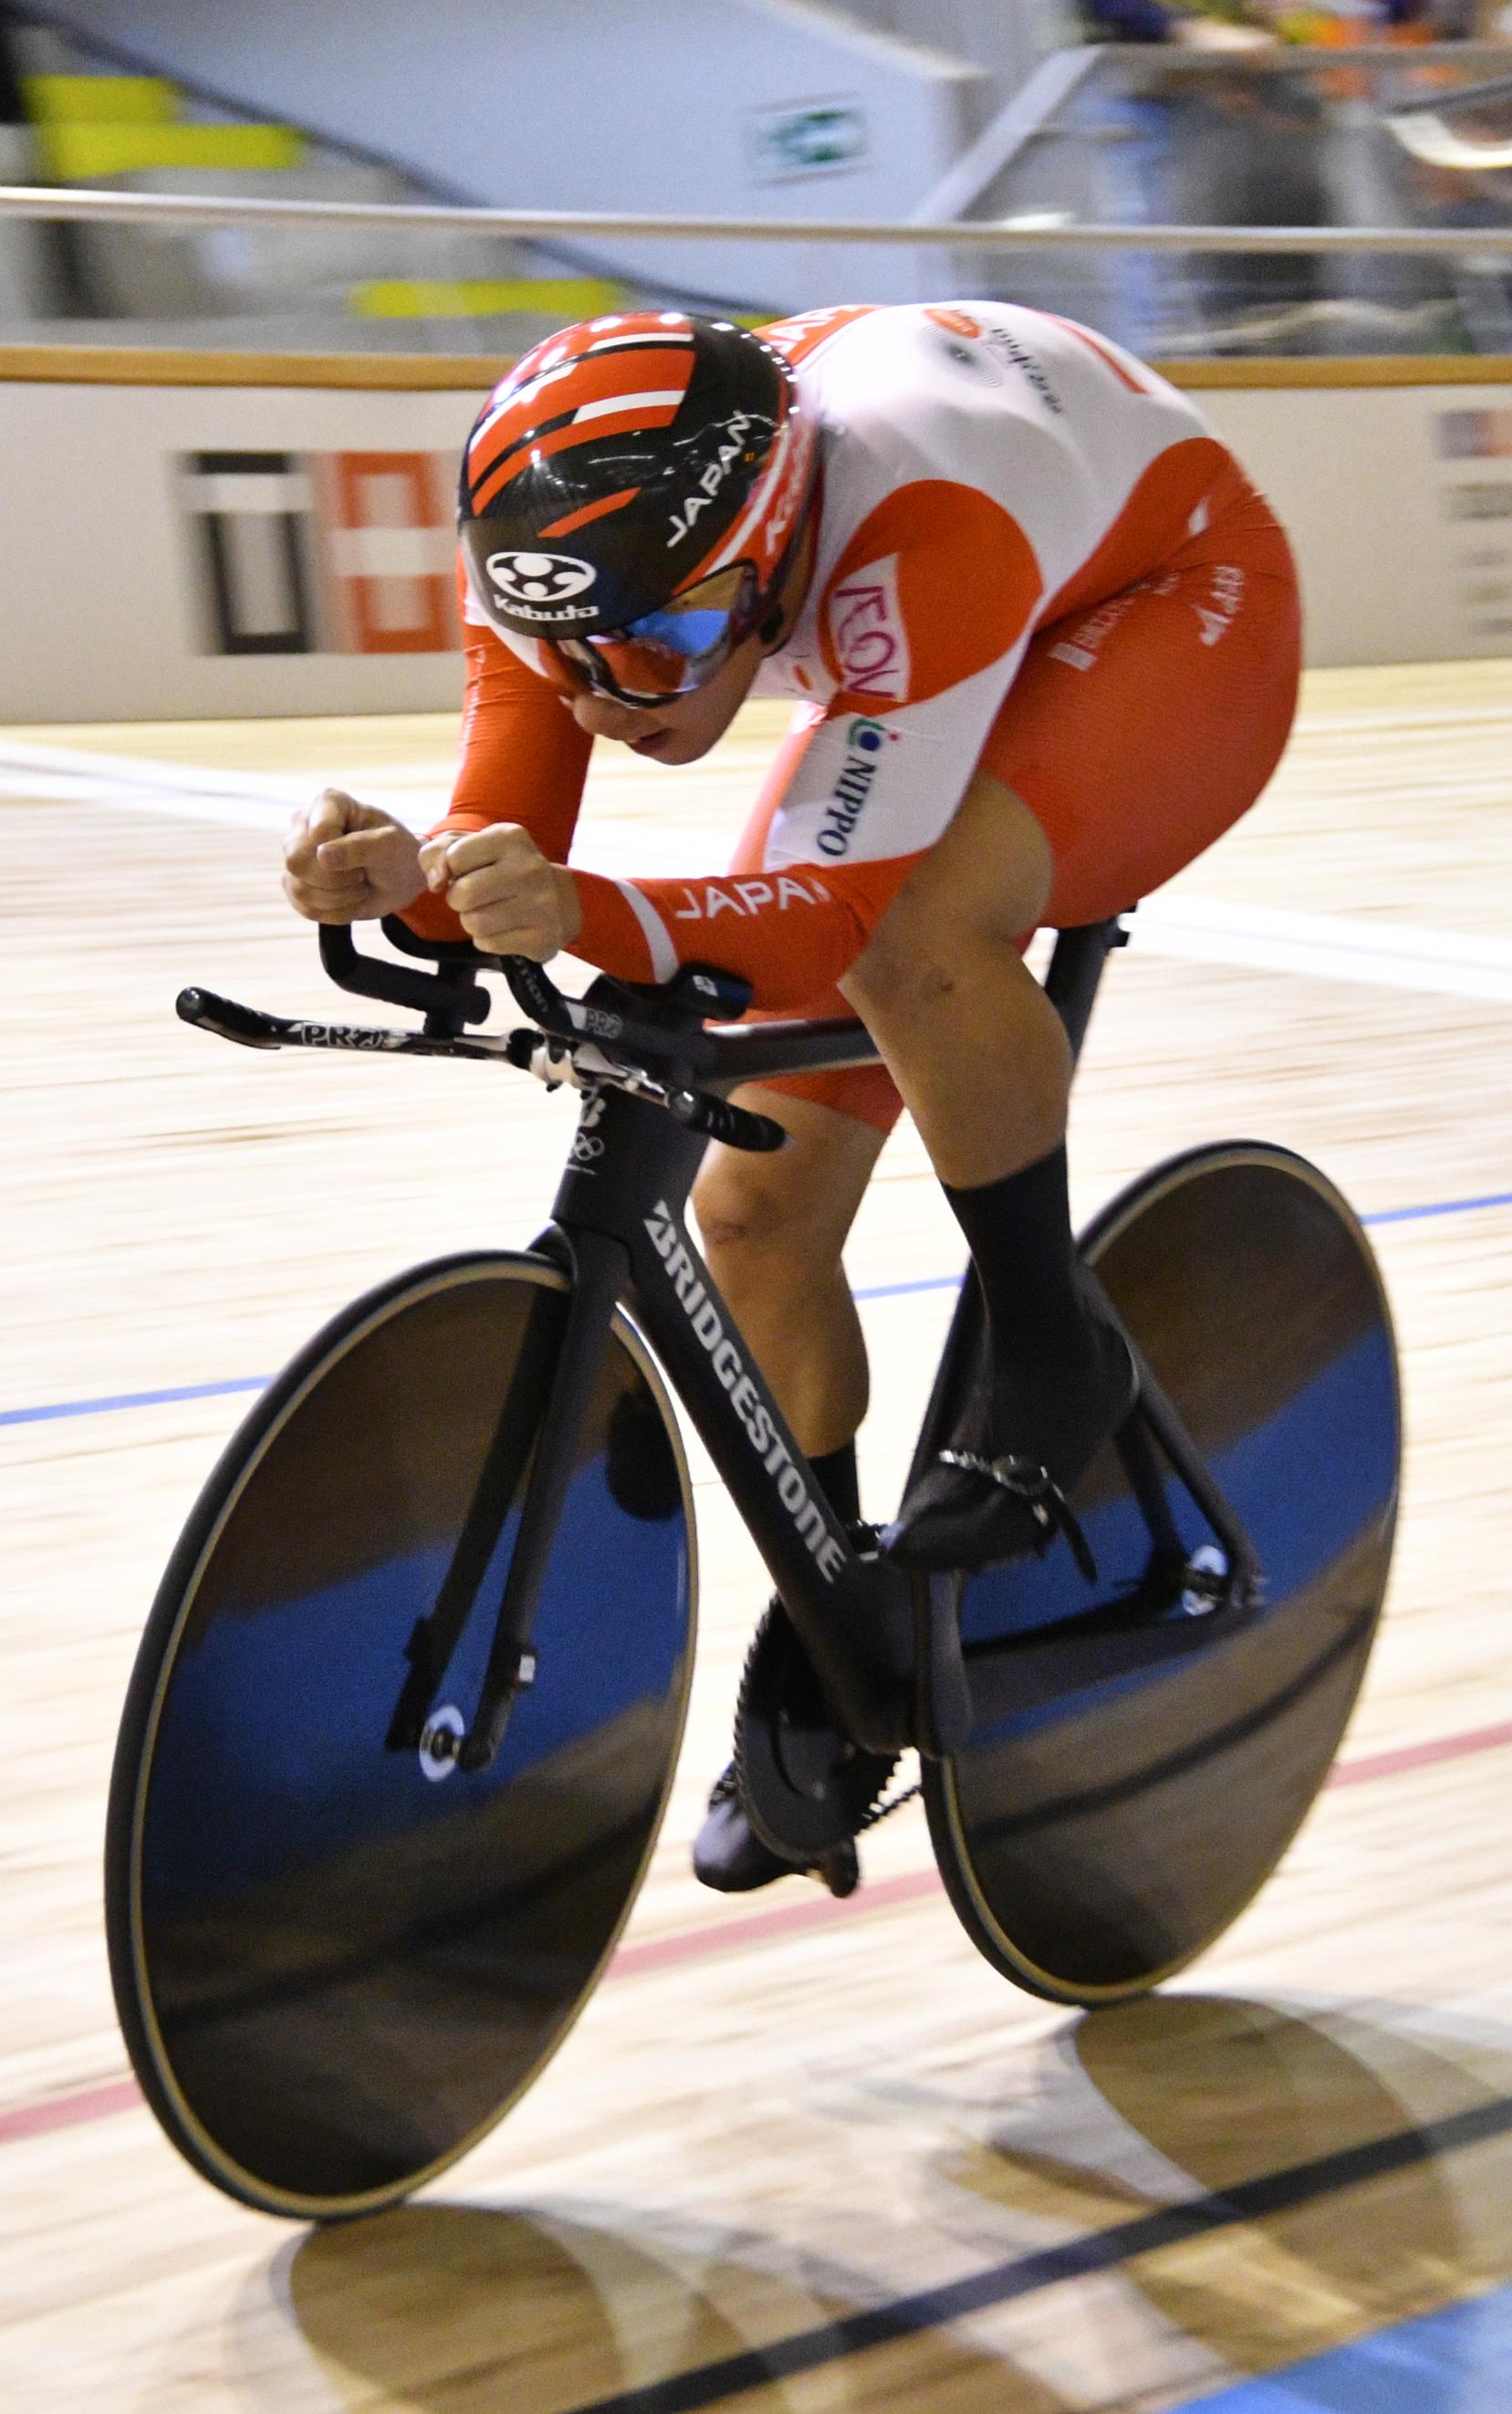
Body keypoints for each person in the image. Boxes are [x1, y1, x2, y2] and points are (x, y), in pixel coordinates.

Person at [276, 308, 1301, 1891]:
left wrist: (586, 908)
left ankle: (1052, 1345)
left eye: (667, 655)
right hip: (932, 632)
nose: (611, 699)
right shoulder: (579, 558)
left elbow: (820, 920)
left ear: (768, 565)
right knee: (749, 1206)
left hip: (1166, 611)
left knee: (908, 930)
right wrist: (412, 878)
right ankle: (845, 1624)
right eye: (572, 662)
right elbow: (512, 844)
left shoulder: (920, 519)